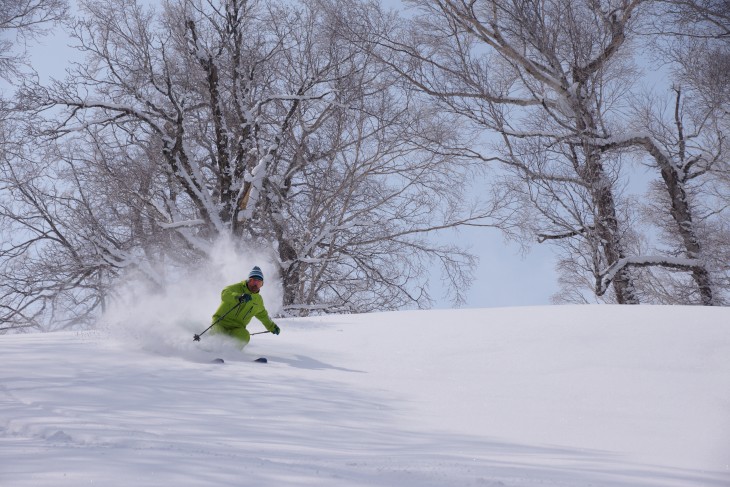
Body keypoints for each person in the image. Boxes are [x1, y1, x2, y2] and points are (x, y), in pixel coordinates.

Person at [211, 266, 280, 348]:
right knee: (217, 335)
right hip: (221, 323)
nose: (255, 284)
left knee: (244, 336)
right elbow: (225, 294)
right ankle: (210, 350)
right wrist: (238, 297)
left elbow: (263, 315)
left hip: (237, 328)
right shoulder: (237, 288)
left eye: (259, 282)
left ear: (262, 284)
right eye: (253, 281)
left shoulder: (258, 300)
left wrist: (272, 327)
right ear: (248, 281)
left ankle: (229, 353)